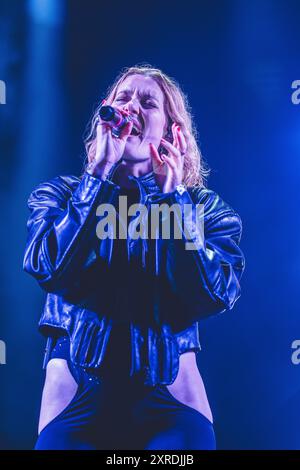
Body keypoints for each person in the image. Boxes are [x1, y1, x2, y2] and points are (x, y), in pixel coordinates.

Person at [23, 65, 245, 450]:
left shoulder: (204, 209)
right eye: (123, 99)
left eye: (148, 103)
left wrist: (171, 200)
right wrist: (98, 175)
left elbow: (210, 294)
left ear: (172, 129)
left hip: (170, 399)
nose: (132, 109)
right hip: (76, 397)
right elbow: (50, 268)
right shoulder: (58, 196)